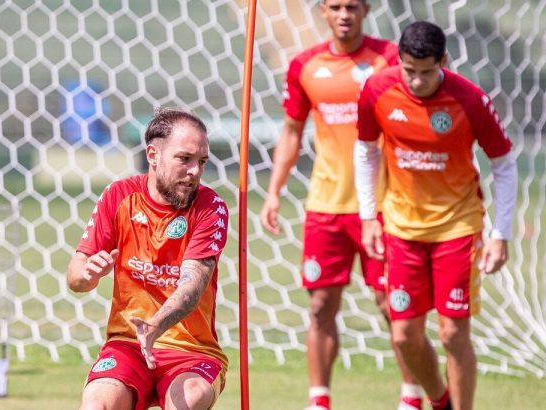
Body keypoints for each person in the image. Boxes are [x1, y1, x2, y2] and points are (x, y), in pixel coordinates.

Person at [260, 1, 420, 409]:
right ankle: (319, 400)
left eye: (352, 5)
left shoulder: (389, 59)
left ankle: (411, 397)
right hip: (325, 206)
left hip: (383, 206)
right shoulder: (305, 66)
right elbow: (292, 131)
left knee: (392, 305)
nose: (344, 13)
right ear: (323, 12)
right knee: (319, 305)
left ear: (366, 10)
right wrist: (274, 190)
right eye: (335, 6)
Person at [354, 21, 517, 410]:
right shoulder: (378, 89)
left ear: (443, 61)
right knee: (405, 334)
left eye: (427, 72)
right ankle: (439, 402)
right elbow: (365, 149)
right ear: (401, 62)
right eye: (410, 71)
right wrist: (367, 215)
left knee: (451, 333)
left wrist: (501, 233)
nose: (417, 80)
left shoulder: (470, 99)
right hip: (401, 227)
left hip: (457, 227)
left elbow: (505, 164)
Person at [66, 107, 230, 410]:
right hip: (127, 345)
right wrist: (88, 275)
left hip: (191, 350)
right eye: (185, 159)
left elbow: (191, 289)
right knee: (98, 405)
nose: (195, 171)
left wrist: (155, 325)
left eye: (202, 162)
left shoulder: (210, 207)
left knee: (188, 400)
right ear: (153, 155)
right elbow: (75, 276)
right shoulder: (118, 196)